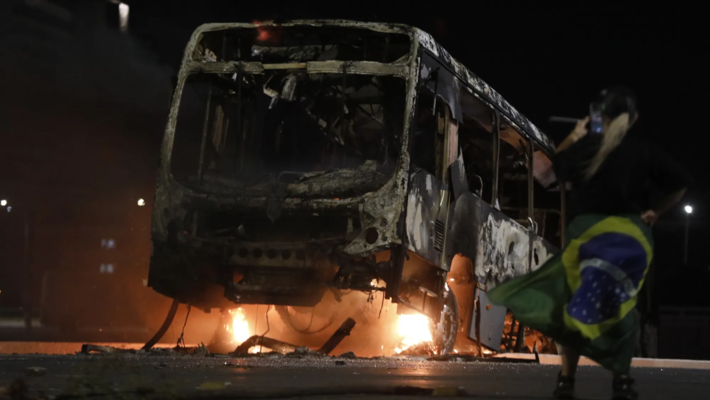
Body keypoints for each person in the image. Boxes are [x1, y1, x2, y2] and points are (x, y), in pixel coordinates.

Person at [488, 86, 692, 400]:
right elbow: (679, 181)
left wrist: (576, 134)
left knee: (573, 307)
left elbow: (549, 169)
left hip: (590, 239)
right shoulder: (642, 151)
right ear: (633, 118)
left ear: (601, 116)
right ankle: (622, 380)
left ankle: (567, 380)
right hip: (630, 243)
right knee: (623, 309)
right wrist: (656, 211)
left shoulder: (587, 150)